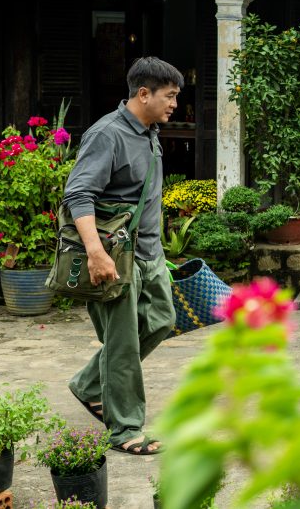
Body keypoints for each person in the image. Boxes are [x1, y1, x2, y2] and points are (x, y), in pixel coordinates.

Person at [63, 57, 182, 455]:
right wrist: (96, 253)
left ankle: (88, 384)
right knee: (123, 343)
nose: (174, 104)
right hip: (116, 256)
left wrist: (160, 252)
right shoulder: (107, 134)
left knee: (162, 320)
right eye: (170, 96)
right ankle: (125, 429)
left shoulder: (149, 132)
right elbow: (79, 194)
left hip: (149, 254)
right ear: (144, 93)